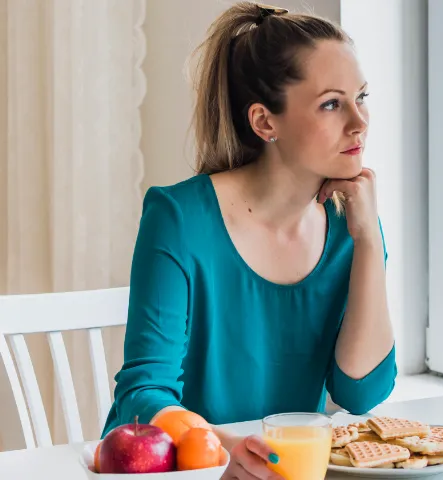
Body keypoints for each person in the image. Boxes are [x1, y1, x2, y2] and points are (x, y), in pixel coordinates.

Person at [101, 2, 396, 478]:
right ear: (265, 122)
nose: (359, 122)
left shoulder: (352, 225)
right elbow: (143, 395)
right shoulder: (178, 218)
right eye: (331, 103)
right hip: (188, 471)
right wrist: (223, 445)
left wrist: (366, 241)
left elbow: (360, 393)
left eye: (361, 97)